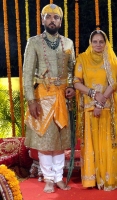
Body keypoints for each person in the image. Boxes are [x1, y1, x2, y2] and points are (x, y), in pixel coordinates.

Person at [23, 4, 75, 193]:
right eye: (49, 17)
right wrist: (31, 100)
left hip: (62, 97)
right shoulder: (34, 42)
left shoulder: (68, 43)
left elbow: (72, 70)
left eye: (56, 17)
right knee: (46, 141)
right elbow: (27, 73)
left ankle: (59, 177)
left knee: (60, 141)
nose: (52, 20)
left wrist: (71, 87)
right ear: (43, 20)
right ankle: (48, 179)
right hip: (42, 97)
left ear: (61, 22)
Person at [73, 30, 117, 191]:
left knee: (107, 143)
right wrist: (92, 93)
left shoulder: (110, 60)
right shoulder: (82, 58)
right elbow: (76, 82)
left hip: (105, 108)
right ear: (90, 42)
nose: (98, 45)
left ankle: (107, 178)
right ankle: (92, 179)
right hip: (88, 108)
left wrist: (100, 103)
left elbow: (114, 83)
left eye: (101, 42)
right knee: (90, 143)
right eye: (95, 41)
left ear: (106, 43)